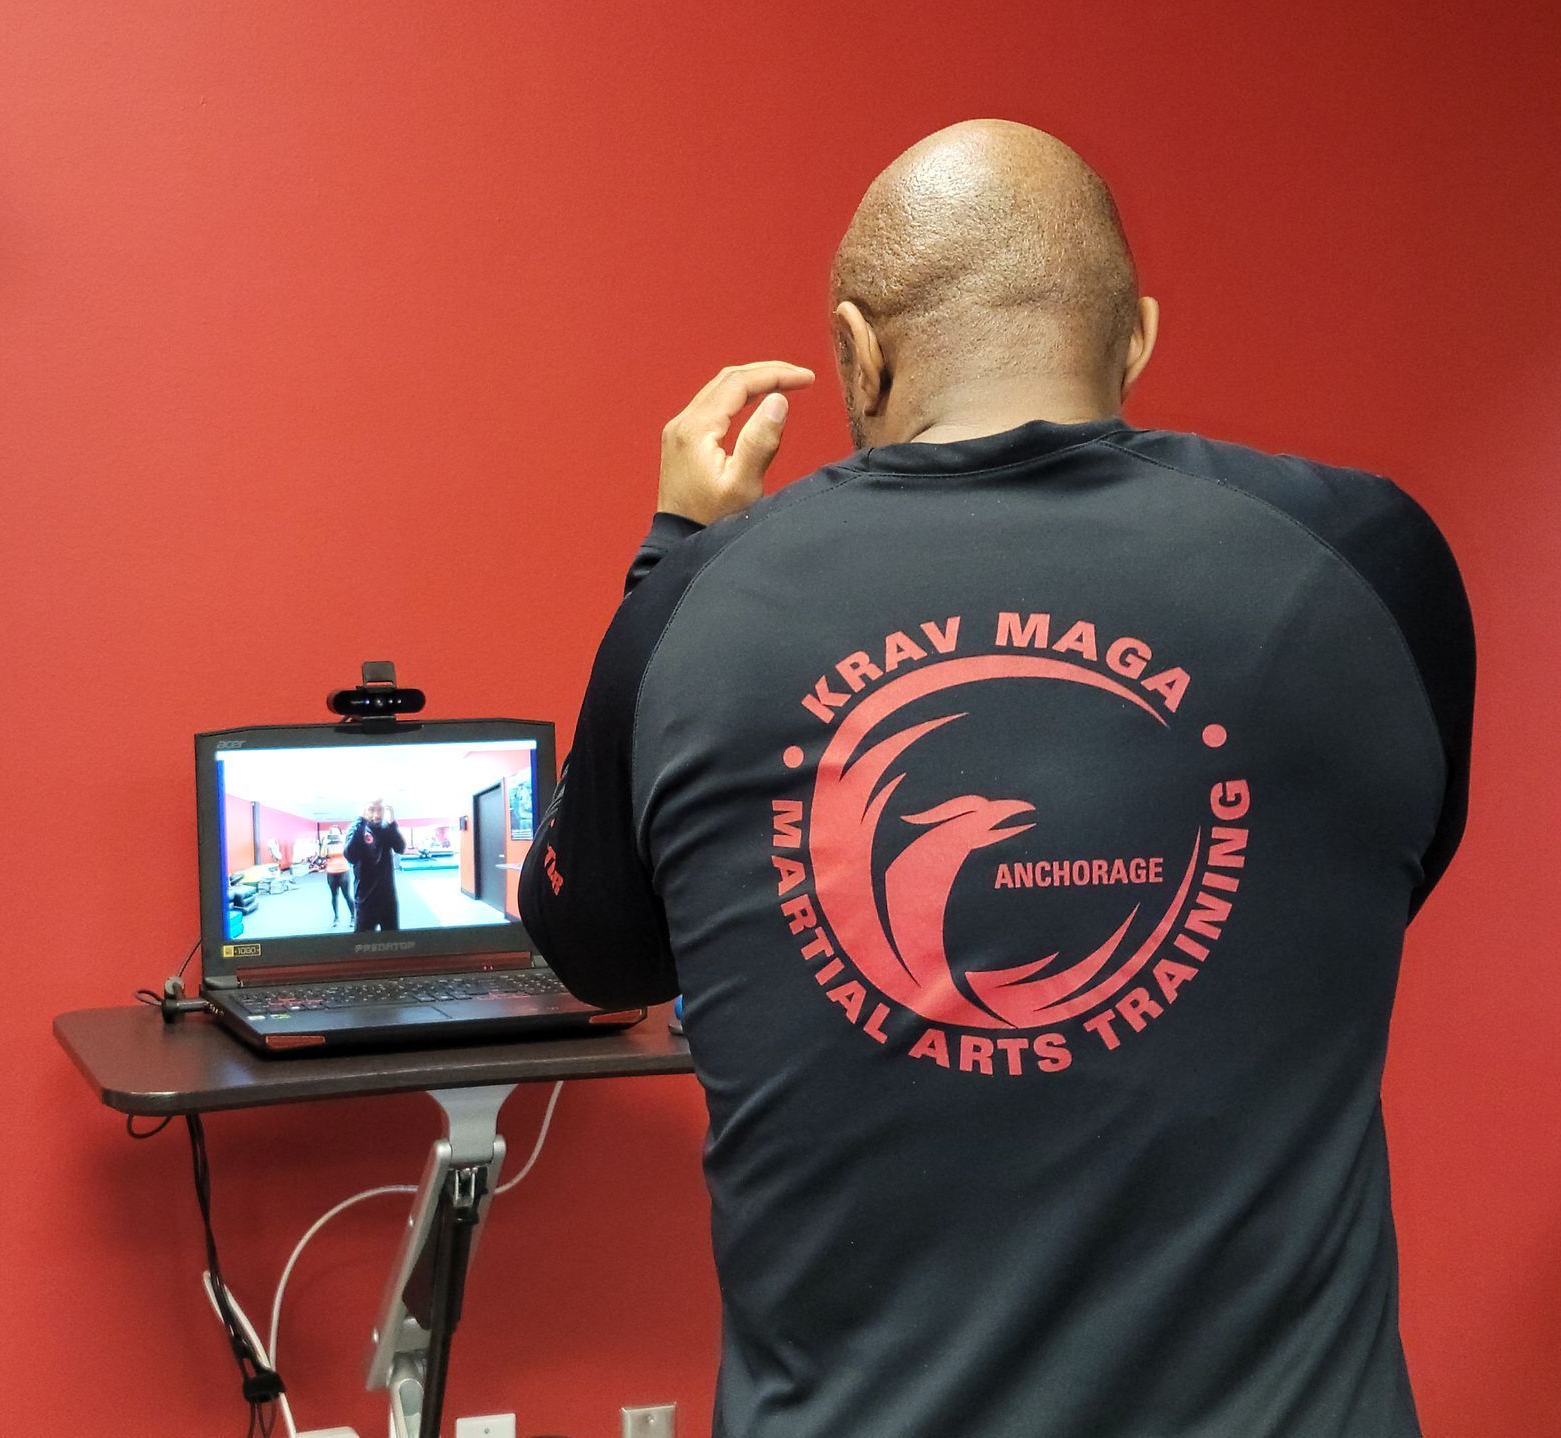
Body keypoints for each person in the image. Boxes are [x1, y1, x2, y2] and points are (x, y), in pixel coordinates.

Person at [518, 119, 1474, 1438]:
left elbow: (595, 948)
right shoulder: (1372, 557)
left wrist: (675, 550)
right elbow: (1372, 879)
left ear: (858, 350)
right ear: (1133, 334)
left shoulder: (697, 602)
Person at [343, 799, 404, 932]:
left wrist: (392, 823)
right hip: (366, 900)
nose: (377, 814)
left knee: (393, 943)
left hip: (388, 900)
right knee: (363, 946)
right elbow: (350, 856)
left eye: (380, 810)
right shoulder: (356, 828)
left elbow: (400, 847)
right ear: (364, 810)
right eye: (371, 809)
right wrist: (361, 821)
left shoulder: (386, 829)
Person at [319, 825, 354, 927]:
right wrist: (324, 844)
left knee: (347, 895)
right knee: (334, 896)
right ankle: (336, 918)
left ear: (339, 833)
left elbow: (349, 853)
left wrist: (343, 841)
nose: (334, 835)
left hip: (343, 870)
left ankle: (353, 917)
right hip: (331, 872)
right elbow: (322, 855)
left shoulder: (344, 841)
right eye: (332, 833)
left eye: (336, 833)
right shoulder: (327, 843)